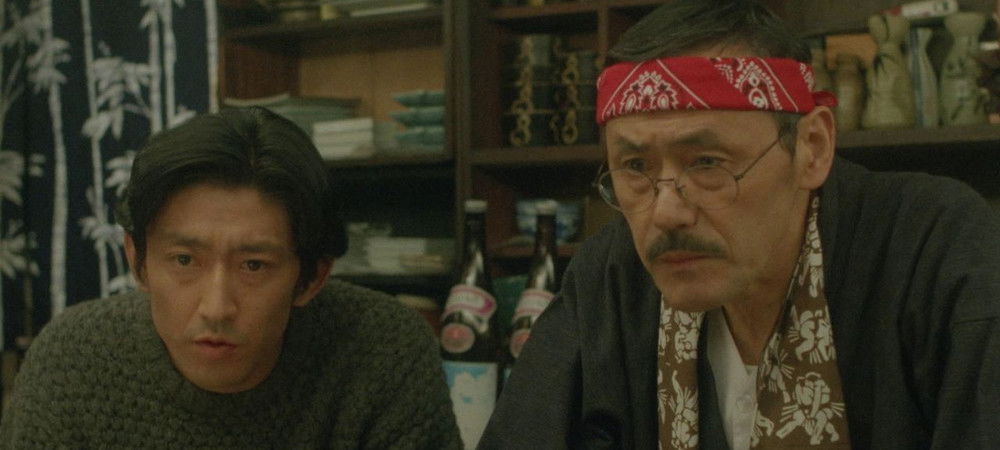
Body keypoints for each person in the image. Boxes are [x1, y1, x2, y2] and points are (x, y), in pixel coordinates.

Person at [480, 1, 1000, 449]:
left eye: (707, 163)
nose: (666, 212)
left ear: (812, 148)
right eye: (635, 168)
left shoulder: (933, 248)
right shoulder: (612, 276)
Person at [0, 107, 461, 448]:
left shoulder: (383, 350)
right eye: (184, 260)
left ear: (312, 278)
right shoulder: (74, 361)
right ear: (137, 259)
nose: (217, 307)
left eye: (253, 266)